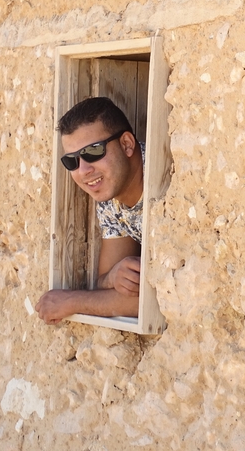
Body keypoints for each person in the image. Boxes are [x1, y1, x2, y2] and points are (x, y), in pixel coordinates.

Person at [36, 97, 144, 324]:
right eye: (72, 161)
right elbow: (106, 281)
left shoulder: (167, 183)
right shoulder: (109, 195)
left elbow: (163, 295)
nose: (83, 170)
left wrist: (71, 302)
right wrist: (113, 277)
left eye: (93, 151)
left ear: (126, 144)